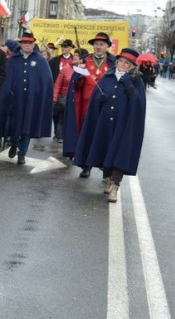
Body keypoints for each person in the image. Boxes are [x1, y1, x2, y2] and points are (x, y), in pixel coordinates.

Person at [73, 48, 147, 203]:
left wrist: (129, 87)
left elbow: (138, 105)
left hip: (123, 125)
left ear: (132, 66)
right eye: (121, 61)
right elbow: (97, 97)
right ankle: (107, 178)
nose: (122, 64)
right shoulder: (107, 77)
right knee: (105, 150)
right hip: (105, 122)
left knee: (119, 153)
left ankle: (115, 186)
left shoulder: (136, 80)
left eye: (127, 63)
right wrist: (99, 100)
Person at [3, 31, 53, 165]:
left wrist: (39, 91)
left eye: (29, 43)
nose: (26, 45)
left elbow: (47, 79)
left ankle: (22, 152)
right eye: (24, 42)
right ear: (20, 44)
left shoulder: (40, 60)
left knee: (28, 125)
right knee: (14, 124)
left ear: (33, 44)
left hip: (32, 99)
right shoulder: (13, 59)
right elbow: (6, 76)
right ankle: (14, 143)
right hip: (15, 98)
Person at [68, 34, 115, 177]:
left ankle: (105, 167)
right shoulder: (85, 61)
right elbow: (78, 85)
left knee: (104, 136)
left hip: (106, 106)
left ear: (107, 47)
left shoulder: (113, 63)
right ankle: (86, 165)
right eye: (96, 44)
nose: (98, 47)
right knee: (87, 134)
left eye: (101, 44)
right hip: (87, 105)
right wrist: (79, 75)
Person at [50, 39, 77, 141]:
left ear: (70, 48)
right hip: (56, 89)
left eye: (65, 47)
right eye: (62, 47)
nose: (63, 48)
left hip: (67, 91)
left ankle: (60, 134)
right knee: (55, 113)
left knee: (64, 114)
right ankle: (57, 131)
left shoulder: (74, 61)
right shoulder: (54, 60)